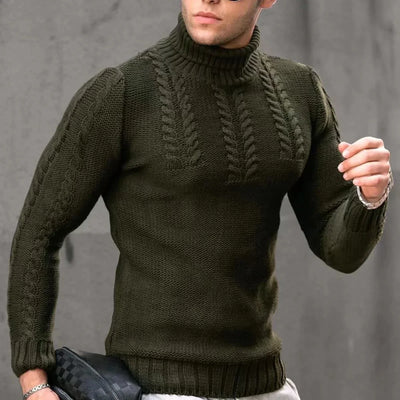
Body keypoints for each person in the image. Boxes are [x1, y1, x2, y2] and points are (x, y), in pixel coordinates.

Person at [8, 0, 393, 399]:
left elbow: (340, 251)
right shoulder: (122, 93)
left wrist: (369, 196)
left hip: (267, 386)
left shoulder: (300, 91)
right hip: (155, 389)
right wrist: (35, 383)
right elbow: (39, 233)